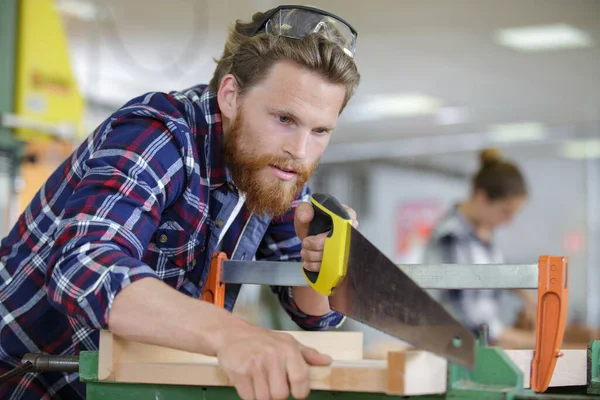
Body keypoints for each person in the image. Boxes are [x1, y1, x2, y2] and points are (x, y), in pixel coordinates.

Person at [0, 5, 361, 399]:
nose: (300, 150)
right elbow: (83, 267)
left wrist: (327, 264)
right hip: (21, 380)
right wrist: (230, 335)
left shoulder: (277, 169)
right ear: (230, 95)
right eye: (284, 119)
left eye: (321, 130)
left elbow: (313, 315)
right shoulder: (161, 132)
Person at [422, 148, 537, 349]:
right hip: (455, 352)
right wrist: (528, 340)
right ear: (482, 198)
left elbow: (491, 271)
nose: (508, 222)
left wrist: (523, 292)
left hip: (479, 349)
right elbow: (464, 317)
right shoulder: (451, 237)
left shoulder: (482, 233)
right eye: (505, 212)